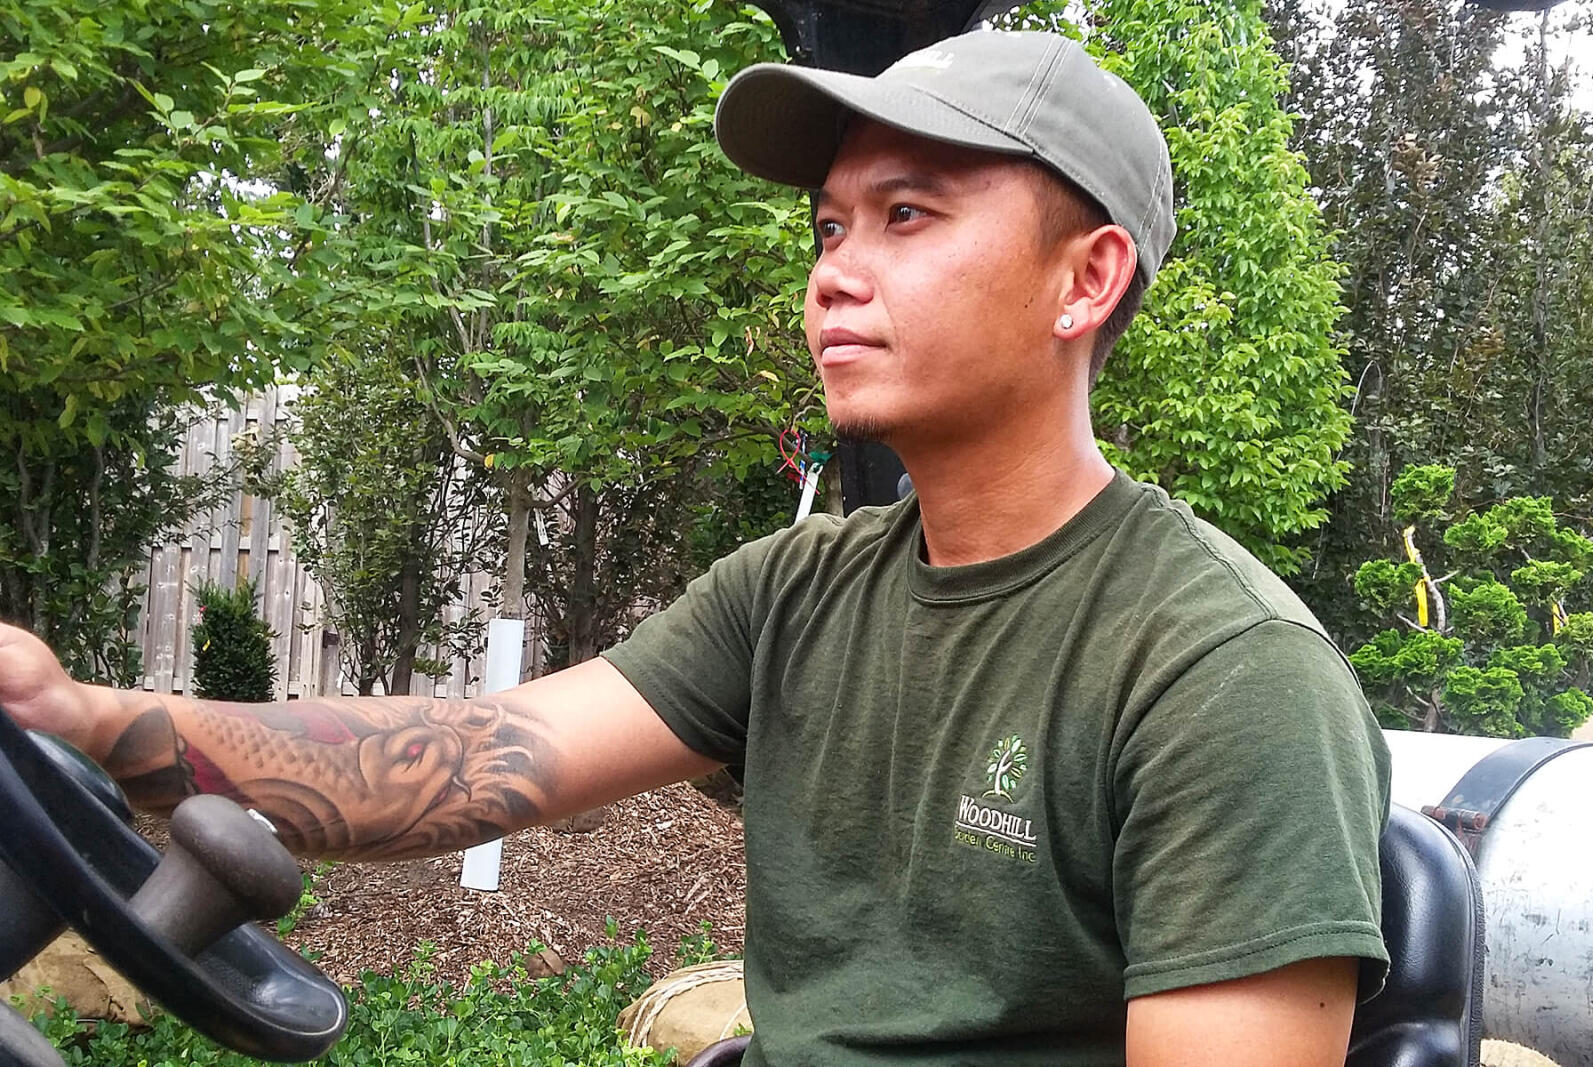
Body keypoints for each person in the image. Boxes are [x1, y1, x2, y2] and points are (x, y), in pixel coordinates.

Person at [0, 28, 1389, 1067]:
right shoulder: (796, 592)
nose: (835, 269)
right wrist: (81, 720)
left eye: (908, 216)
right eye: (831, 225)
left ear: (1085, 279)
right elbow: (474, 761)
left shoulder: (1223, 671)